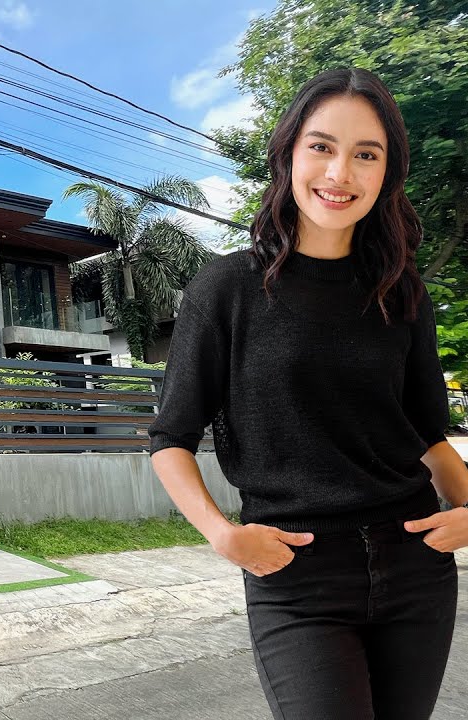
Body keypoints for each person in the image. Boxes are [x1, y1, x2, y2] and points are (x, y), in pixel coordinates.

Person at [147, 67, 467, 720]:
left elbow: (427, 433)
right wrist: (222, 535)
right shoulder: (227, 288)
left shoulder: (402, 293)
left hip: (415, 564)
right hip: (298, 576)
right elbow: (170, 437)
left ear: (387, 172)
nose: (340, 173)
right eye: (322, 146)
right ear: (289, 153)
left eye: (366, 154)